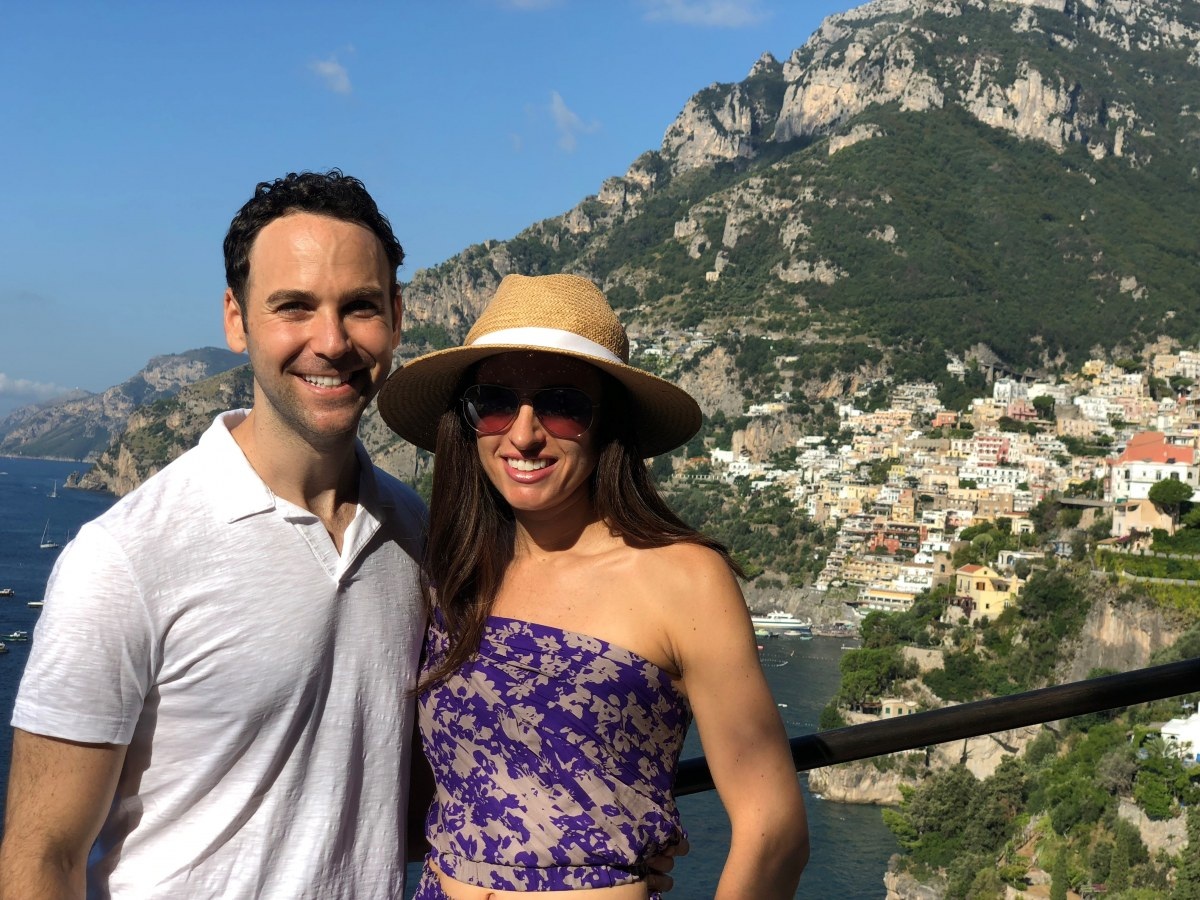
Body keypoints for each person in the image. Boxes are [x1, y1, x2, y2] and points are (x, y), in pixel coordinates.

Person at [0, 170, 428, 899]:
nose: (331, 341)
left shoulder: (415, 534)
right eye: (294, 306)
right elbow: (43, 853)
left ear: (395, 316)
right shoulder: (126, 557)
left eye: (359, 307)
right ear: (236, 319)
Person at [377, 273, 809, 899]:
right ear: (466, 423)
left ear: (608, 424)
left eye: (562, 406)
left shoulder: (683, 579)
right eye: (494, 403)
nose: (524, 434)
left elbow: (774, 830)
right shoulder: (450, 574)